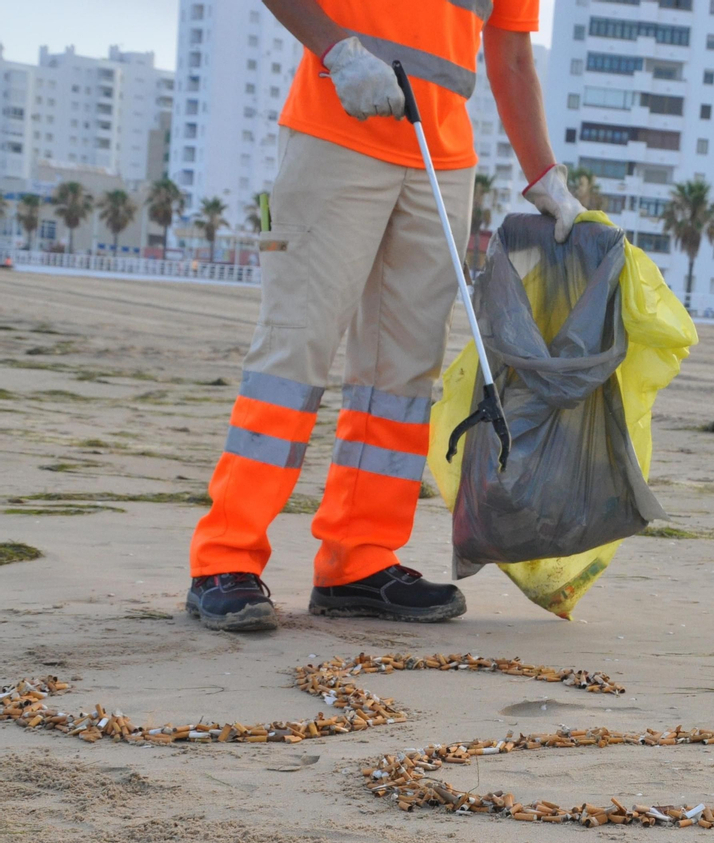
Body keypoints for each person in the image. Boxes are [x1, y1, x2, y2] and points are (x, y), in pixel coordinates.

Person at [186, 0, 581, 632]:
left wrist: (544, 174)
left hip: (442, 157)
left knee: (401, 374)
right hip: (334, 131)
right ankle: (224, 557)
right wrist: (337, 50)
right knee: (293, 355)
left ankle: (358, 559)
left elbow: (510, 54)